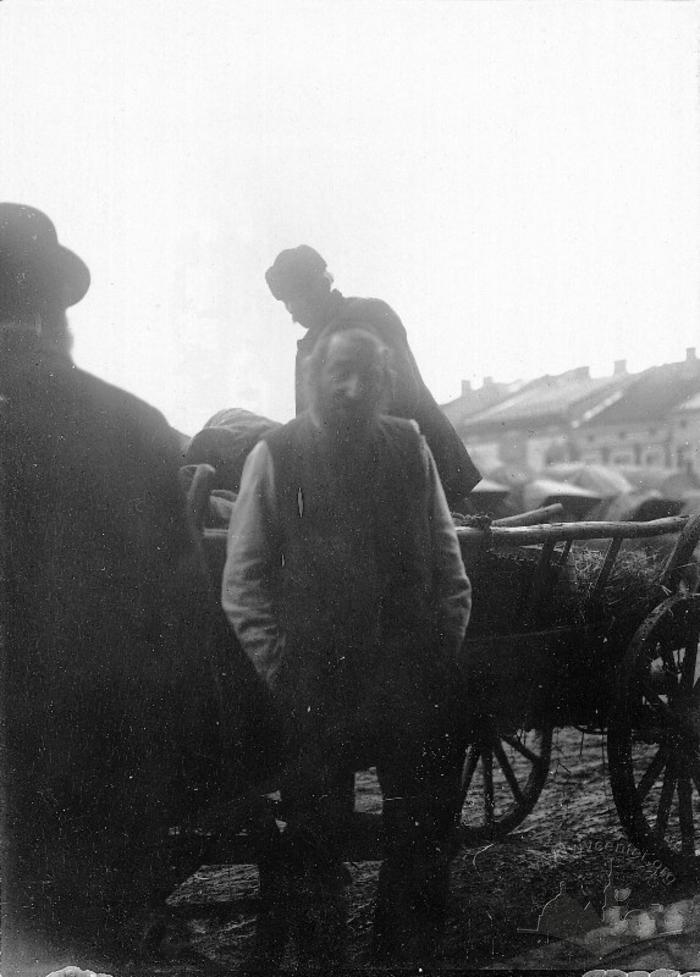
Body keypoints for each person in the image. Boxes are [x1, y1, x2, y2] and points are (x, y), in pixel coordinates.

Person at [0, 204, 279, 975]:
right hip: (93, 795)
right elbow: (186, 630)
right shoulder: (128, 427)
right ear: (55, 310)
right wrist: (236, 762)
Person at [222, 326, 472, 967]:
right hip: (316, 680)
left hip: (407, 675)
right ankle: (323, 959)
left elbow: (447, 561)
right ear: (315, 377)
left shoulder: (409, 444)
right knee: (312, 842)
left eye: (366, 373)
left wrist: (438, 652)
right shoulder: (275, 454)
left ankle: (402, 953)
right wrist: (282, 671)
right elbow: (244, 582)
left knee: (420, 833)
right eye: (339, 373)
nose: (352, 386)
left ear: (384, 382)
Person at [265, 244, 481, 509]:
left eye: (293, 299)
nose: (291, 312)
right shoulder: (309, 345)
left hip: (420, 471)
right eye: (285, 302)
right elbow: (308, 419)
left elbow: (402, 393)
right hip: (364, 483)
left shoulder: (370, 315)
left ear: (318, 287)